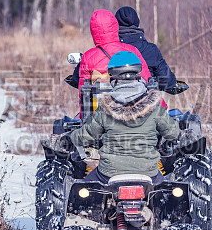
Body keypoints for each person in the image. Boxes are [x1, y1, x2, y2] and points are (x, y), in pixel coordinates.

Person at [53, 52, 196, 185]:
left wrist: (67, 139)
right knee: (165, 190)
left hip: (108, 173)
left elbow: (86, 135)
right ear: (139, 75)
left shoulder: (104, 108)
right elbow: (173, 133)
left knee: (81, 191)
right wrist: (183, 135)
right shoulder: (154, 106)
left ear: (113, 79)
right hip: (149, 172)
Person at [72, 9, 154, 113]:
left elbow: (84, 93)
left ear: (93, 30)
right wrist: (162, 109)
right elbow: (146, 80)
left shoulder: (88, 57)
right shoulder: (131, 50)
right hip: (134, 113)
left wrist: (83, 119)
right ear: (115, 26)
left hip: (102, 115)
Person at [115, 6, 178, 92]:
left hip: (116, 101)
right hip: (146, 101)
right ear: (137, 22)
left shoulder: (110, 49)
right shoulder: (151, 49)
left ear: (115, 24)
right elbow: (167, 82)